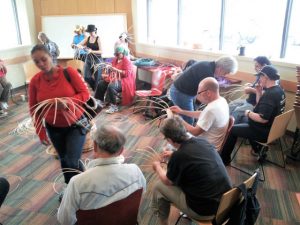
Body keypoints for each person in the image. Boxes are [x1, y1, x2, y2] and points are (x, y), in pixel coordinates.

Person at [28, 44, 90, 192]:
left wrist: (68, 102)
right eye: (37, 62)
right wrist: (41, 132)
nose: (41, 64)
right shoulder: (35, 81)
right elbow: (34, 109)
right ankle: (80, 186)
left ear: (51, 56)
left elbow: (85, 94)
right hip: (53, 128)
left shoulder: (68, 73)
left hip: (76, 124)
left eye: (44, 59)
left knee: (70, 160)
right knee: (65, 159)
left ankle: (73, 191)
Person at [57, 125, 146, 225]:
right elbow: (140, 198)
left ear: (94, 146)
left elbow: (65, 220)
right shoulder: (135, 170)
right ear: (121, 150)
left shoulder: (77, 183)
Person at [152, 116, 232, 225]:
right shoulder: (203, 141)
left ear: (169, 140)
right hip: (226, 201)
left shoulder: (179, 156)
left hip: (205, 211)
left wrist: (157, 167)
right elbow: (193, 157)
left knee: (159, 187)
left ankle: (163, 223)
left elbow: (167, 181)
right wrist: (174, 155)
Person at [221, 65, 286, 165]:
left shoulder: (270, 95)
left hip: (263, 131)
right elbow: (261, 107)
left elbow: (262, 119)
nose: (259, 79)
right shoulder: (279, 90)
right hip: (271, 130)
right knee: (244, 120)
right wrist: (259, 92)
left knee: (232, 130)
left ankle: (224, 160)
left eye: (260, 77)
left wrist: (248, 112)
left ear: (266, 77)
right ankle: (258, 149)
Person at [170, 55, 238, 125]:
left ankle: (181, 131)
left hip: (182, 91)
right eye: (225, 73)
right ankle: (181, 134)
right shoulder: (207, 73)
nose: (224, 75)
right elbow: (205, 97)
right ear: (221, 69)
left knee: (190, 115)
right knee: (189, 120)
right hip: (180, 93)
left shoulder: (207, 64)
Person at [170, 77, 229, 151]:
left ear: (208, 93)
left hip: (206, 148)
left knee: (173, 141)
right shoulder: (221, 100)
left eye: (199, 93)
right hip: (210, 144)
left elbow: (195, 132)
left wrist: (178, 119)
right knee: (177, 139)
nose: (197, 96)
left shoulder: (211, 110)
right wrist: (182, 112)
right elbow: (203, 114)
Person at [229, 56, 271, 123]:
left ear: (264, 66)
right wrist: (251, 86)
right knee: (231, 105)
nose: (255, 68)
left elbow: (267, 94)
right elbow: (258, 87)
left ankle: (230, 130)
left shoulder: (270, 78)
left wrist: (251, 90)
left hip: (254, 104)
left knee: (237, 111)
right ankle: (221, 126)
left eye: (257, 66)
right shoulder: (260, 75)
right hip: (248, 100)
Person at [94, 46, 136, 114]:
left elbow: (126, 74)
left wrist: (115, 70)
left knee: (111, 86)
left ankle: (114, 106)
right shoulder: (115, 59)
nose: (117, 55)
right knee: (101, 83)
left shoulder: (127, 61)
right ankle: (100, 101)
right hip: (115, 77)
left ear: (123, 53)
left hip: (124, 80)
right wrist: (109, 67)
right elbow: (112, 67)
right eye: (116, 54)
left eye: (118, 54)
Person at [77, 24, 103, 91]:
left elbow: (101, 51)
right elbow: (79, 44)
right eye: (89, 32)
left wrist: (91, 51)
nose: (90, 33)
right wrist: (82, 47)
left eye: (91, 32)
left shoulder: (98, 38)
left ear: (94, 31)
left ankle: (97, 94)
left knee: (98, 78)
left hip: (97, 60)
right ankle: (95, 89)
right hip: (88, 59)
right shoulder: (87, 38)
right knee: (86, 77)